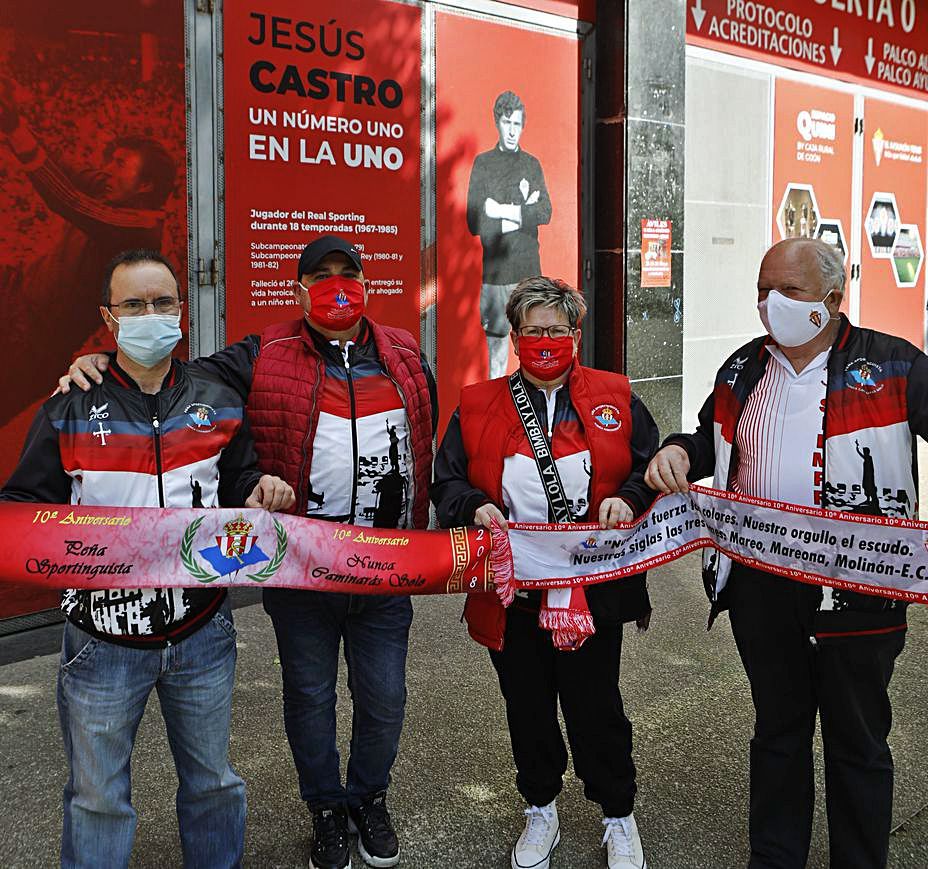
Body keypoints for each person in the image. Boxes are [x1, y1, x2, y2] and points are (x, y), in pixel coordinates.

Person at [62, 236, 437, 869]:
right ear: (299, 290)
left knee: (385, 699)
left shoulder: (403, 351)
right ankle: (325, 810)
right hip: (301, 574)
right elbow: (174, 383)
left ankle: (368, 799)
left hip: (383, 576)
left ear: (368, 284)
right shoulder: (264, 352)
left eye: (350, 274)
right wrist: (92, 373)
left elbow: (430, 438)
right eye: (322, 276)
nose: (338, 286)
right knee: (310, 699)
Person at [0, 249, 294, 868]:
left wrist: (262, 489)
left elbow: (238, 480)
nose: (150, 315)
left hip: (203, 629)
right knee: (97, 798)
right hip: (102, 639)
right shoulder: (69, 406)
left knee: (214, 784)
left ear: (182, 311)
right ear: (109, 318)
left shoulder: (217, 398)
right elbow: (24, 510)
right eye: (134, 305)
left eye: (162, 302)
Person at [645, 237, 928, 869]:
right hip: (761, 587)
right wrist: (680, 452)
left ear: (833, 296)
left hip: (858, 590)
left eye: (789, 290)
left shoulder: (894, 364)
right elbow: (707, 439)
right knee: (778, 733)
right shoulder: (743, 367)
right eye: (762, 289)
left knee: (858, 741)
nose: (771, 303)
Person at [432, 276, 657, 869]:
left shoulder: (616, 395)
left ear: (576, 335)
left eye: (557, 330)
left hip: (592, 590)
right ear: (516, 336)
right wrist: (468, 506)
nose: (546, 341)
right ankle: (540, 807)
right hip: (512, 591)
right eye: (534, 332)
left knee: (596, 706)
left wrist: (629, 499)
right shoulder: (480, 403)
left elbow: (647, 467)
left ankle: (617, 814)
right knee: (526, 705)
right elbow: (447, 479)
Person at [0, 77, 176, 425]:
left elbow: (70, 201)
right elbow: (75, 173)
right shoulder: (115, 196)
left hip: (33, 342)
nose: (107, 171)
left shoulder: (137, 228)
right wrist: (18, 128)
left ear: (145, 185)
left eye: (120, 164)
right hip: (16, 296)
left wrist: (17, 131)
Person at [466, 90, 552, 379]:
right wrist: (522, 213)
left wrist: (499, 210)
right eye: (507, 123)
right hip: (496, 275)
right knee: (497, 358)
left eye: (517, 124)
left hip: (530, 273)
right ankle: (498, 414)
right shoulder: (484, 164)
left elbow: (545, 212)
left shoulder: (532, 164)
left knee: (534, 354)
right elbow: (475, 221)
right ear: (497, 122)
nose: (512, 131)